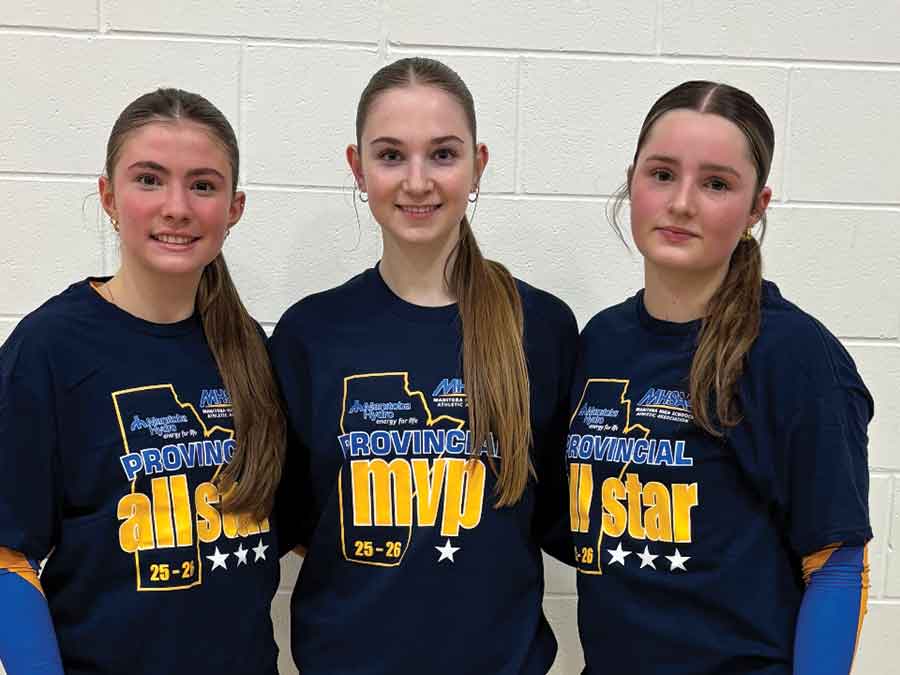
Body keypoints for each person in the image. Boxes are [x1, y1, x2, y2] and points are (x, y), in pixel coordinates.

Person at [269, 57, 577, 674]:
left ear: (478, 165)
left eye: (442, 154)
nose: (417, 181)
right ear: (357, 168)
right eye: (390, 156)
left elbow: (552, 516)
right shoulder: (311, 333)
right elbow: (302, 517)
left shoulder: (541, 329)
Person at [567, 80, 872, 674]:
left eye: (715, 184)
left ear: (757, 206)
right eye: (661, 174)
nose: (681, 203)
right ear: (632, 180)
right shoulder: (601, 342)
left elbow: (836, 568)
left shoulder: (794, 355)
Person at [0, 88, 286, 675]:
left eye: (203, 185)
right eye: (149, 179)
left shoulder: (251, 348)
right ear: (108, 196)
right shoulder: (49, 349)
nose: (177, 207)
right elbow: (7, 552)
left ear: (234, 208)